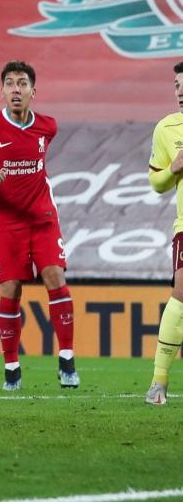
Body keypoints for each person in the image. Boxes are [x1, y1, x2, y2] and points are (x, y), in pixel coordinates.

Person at [0, 61, 78, 391]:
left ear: (32, 92)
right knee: (11, 289)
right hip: (5, 221)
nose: (15, 89)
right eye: (9, 83)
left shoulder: (47, 127)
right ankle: (12, 367)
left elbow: (36, 170)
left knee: (56, 276)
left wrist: (1, 183)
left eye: (22, 83)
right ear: (2, 91)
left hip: (42, 218)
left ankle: (67, 359)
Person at [145, 61, 183, 405]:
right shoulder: (167, 128)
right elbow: (156, 182)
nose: (181, 91)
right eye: (176, 85)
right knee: (182, 294)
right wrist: (174, 167)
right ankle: (159, 382)